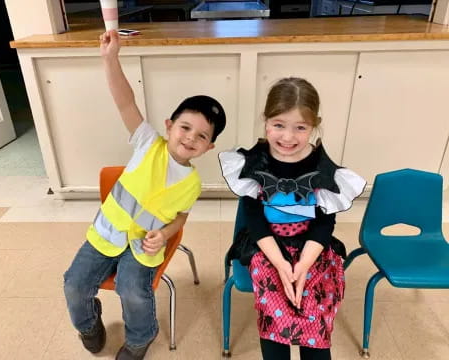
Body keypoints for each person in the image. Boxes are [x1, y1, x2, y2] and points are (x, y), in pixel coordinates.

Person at [63, 30, 226, 360]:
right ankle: (88, 324)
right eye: (185, 127)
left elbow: (181, 216)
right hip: (105, 235)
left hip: (143, 246)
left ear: (209, 147)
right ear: (168, 125)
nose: (190, 138)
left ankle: (140, 338)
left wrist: (164, 234)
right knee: (74, 284)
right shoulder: (147, 142)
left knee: (132, 291)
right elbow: (125, 100)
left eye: (201, 136)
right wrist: (110, 59)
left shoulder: (192, 183)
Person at [219, 77, 365, 360]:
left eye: (300, 127)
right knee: (276, 320)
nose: (288, 137)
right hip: (268, 247)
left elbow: (324, 223)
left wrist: (301, 267)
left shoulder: (322, 168)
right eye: (278, 125)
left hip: (312, 248)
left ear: (314, 125)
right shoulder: (254, 163)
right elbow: (255, 220)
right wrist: (283, 266)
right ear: (266, 121)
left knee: (314, 323)